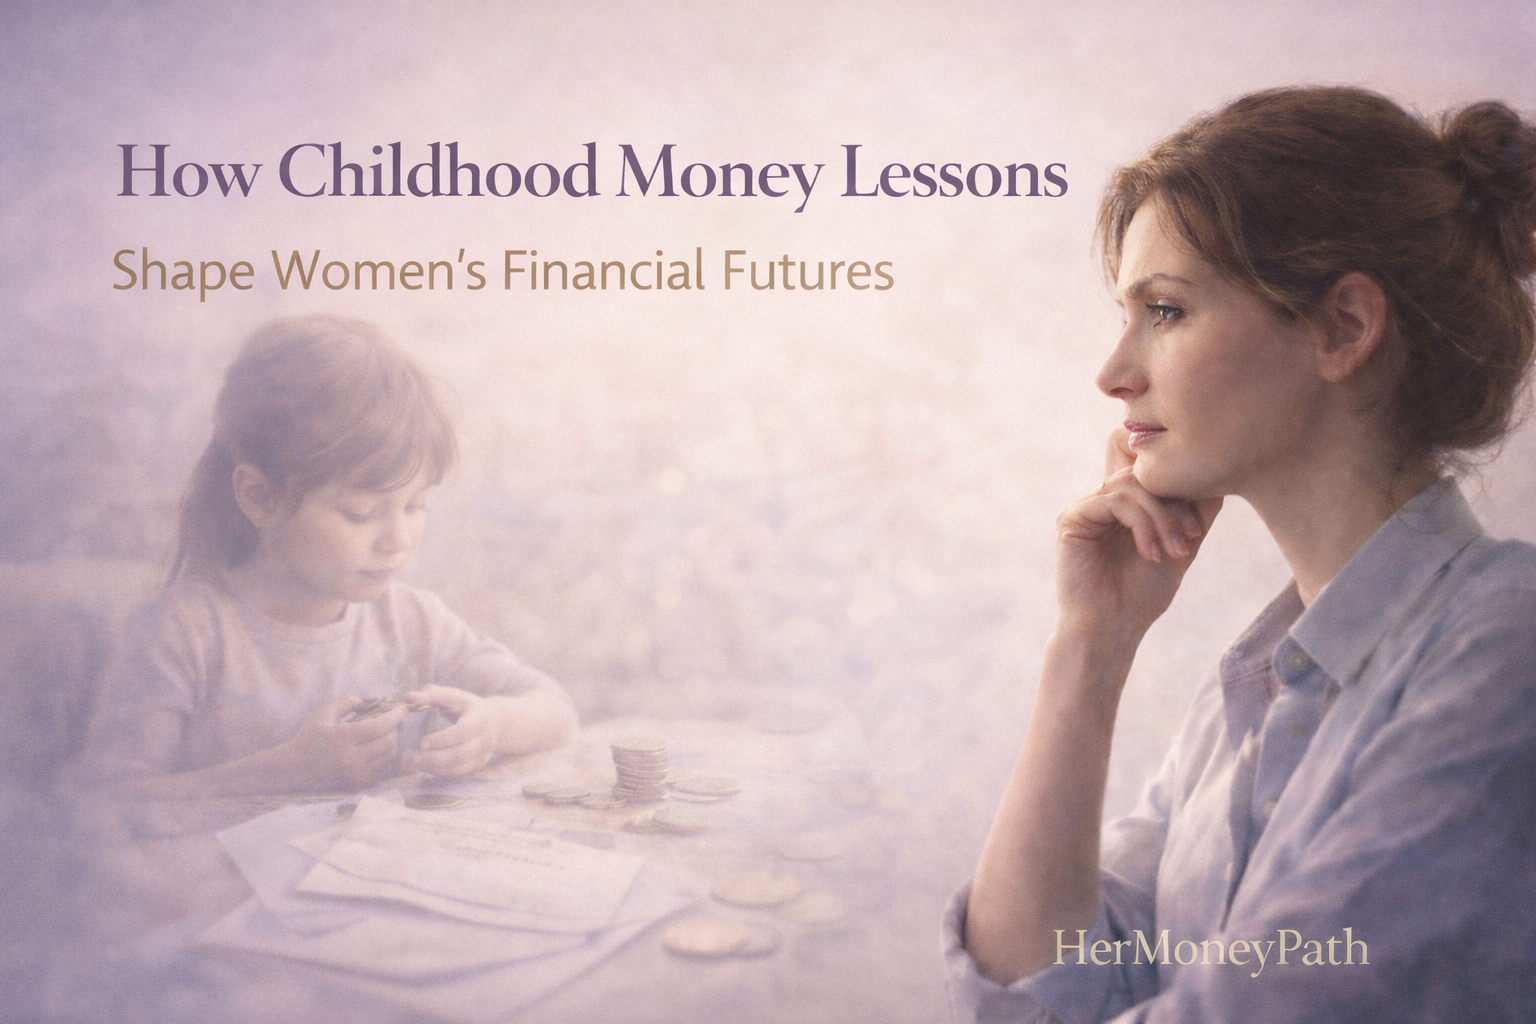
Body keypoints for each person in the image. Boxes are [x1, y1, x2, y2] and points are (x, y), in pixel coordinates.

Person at [945, 87, 1536, 1022]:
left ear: (1343, 328)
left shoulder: (1508, 653)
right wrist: (1091, 649)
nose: (1112, 373)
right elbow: (1040, 989)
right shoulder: (1250, 701)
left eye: (1167, 311)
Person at [76, 315, 577, 799]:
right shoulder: (185, 634)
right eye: (359, 512)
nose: (397, 538)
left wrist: (492, 727)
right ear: (259, 497)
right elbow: (103, 809)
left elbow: (555, 710)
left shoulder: (412, 623)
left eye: (415, 505)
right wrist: (284, 771)